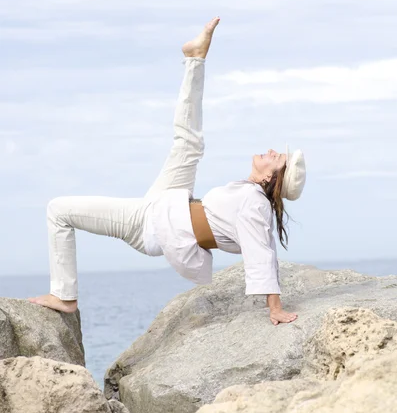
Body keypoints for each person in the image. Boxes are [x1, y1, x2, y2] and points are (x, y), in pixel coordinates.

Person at [29, 16, 306, 325]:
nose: (271, 151)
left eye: (277, 158)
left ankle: (64, 295)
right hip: (171, 201)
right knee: (189, 142)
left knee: (58, 210)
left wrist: (275, 307)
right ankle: (195, 59)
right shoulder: (249, 193)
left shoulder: (256, 204)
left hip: (153, 224)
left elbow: (262, 255)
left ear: (271, 178)